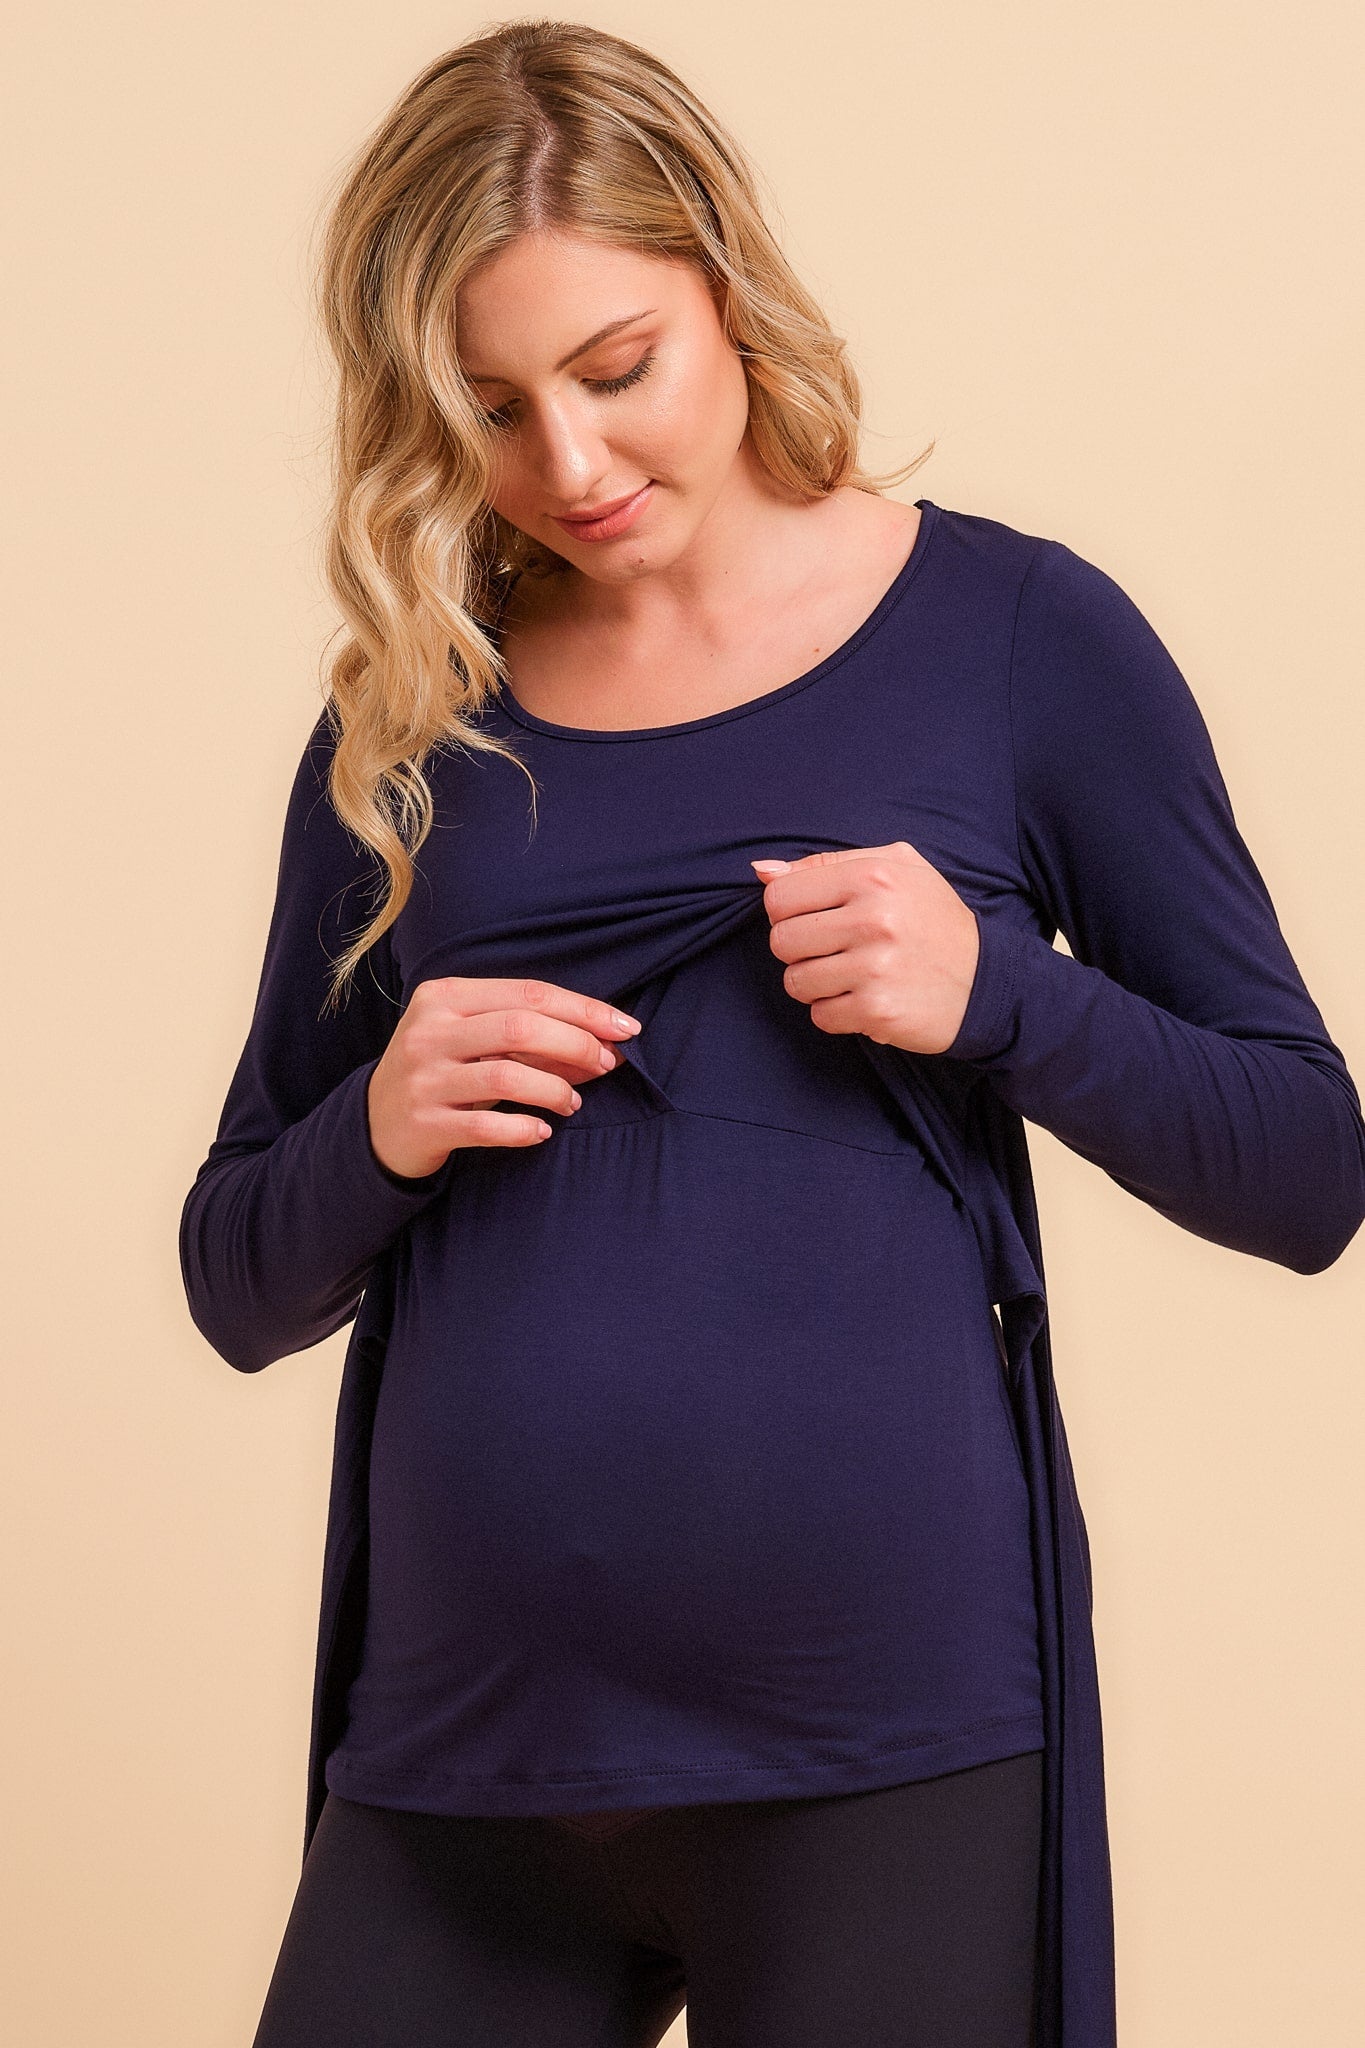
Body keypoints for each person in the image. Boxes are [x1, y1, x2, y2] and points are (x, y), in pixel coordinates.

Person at [177, 21, 1365, 2048]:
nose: (569, 466)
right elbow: (234, 1279)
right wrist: (376, 1122)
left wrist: (1001, 994)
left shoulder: (1016, 639)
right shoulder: (408, 722)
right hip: (462, 1747)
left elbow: (1303, 1170)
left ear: (723, 284)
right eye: (489, 410)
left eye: (615, 366)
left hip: (882, 1751)